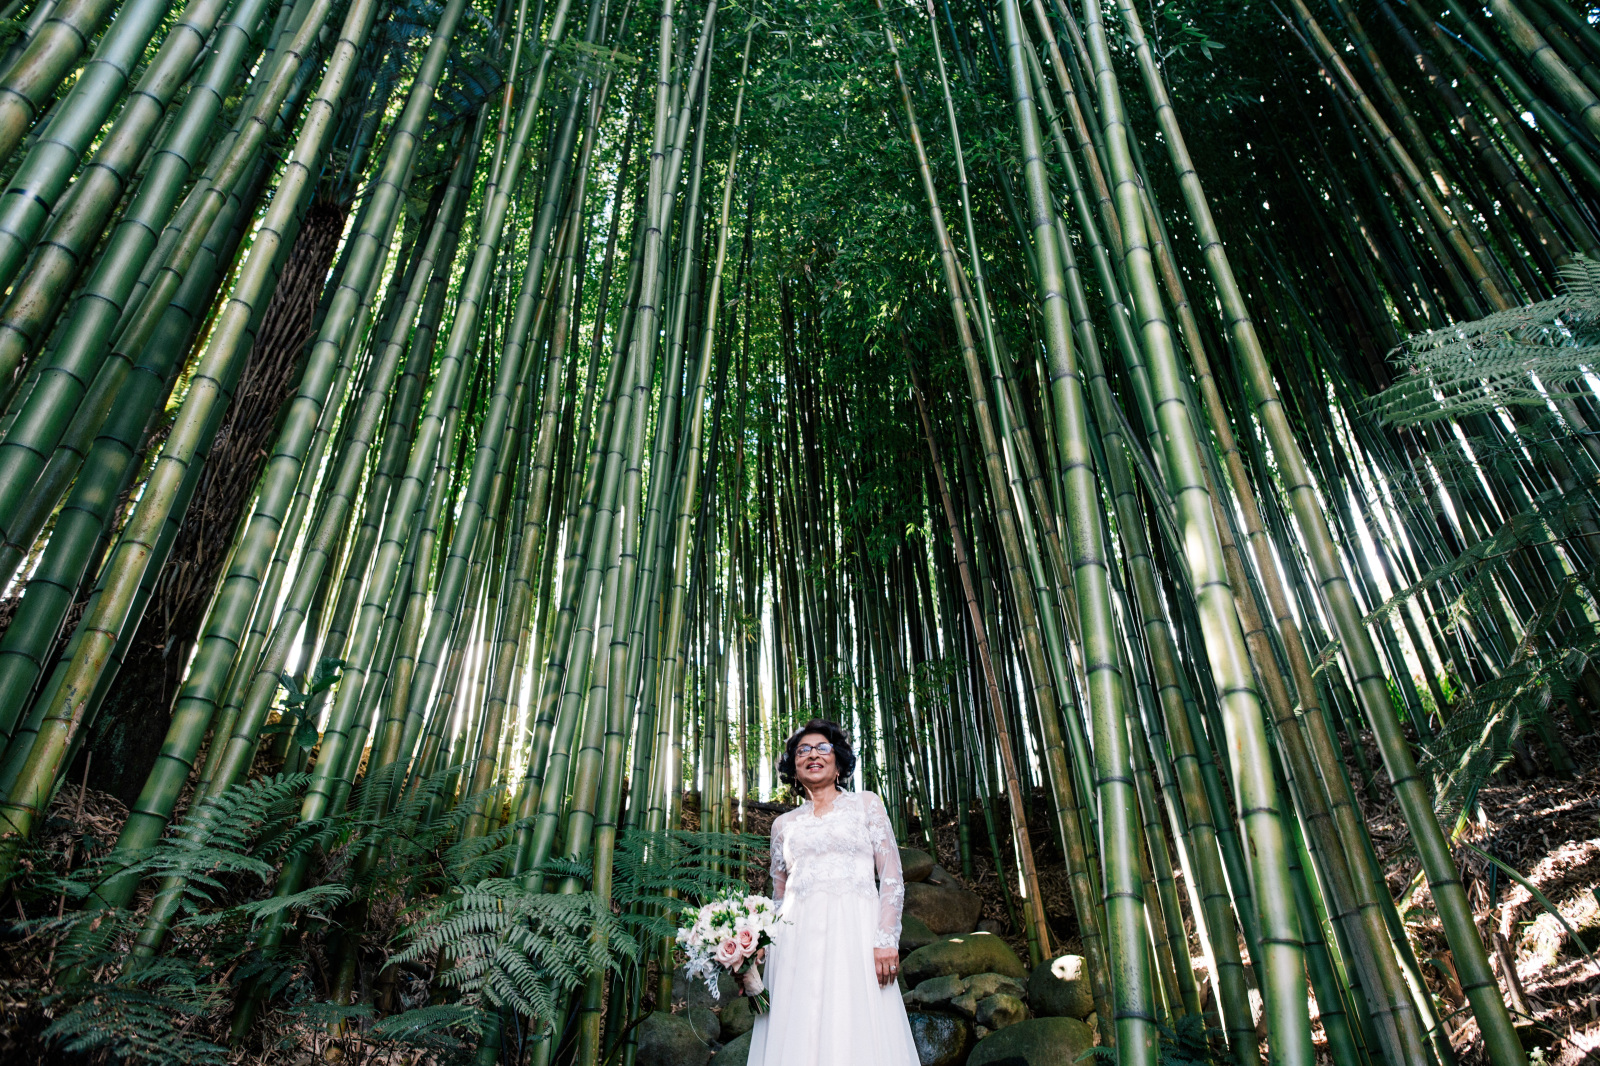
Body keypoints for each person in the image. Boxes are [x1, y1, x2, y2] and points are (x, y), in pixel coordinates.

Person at [743, 719, 921, 1066]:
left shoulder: (866, 805)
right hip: (796, 943)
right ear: (793, 769)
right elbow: (779, 896)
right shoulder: (783, 825)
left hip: (855, 933)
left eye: (822, 748)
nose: (813, 755)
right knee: (800, 1029)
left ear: (838, 762)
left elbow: (891, 876)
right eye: (803, 750)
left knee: (856, 1023)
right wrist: (756, 946)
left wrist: (886, 938)